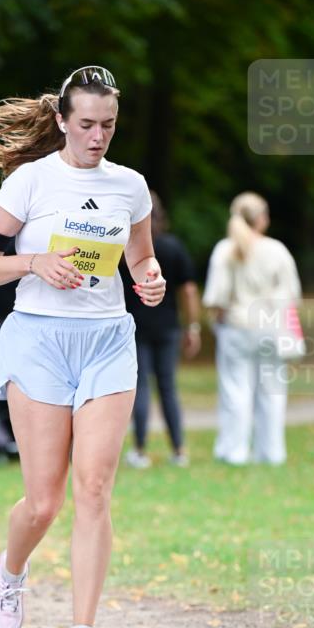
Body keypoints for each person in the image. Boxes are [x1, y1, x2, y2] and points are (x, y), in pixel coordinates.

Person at [0, 65, 166, 628]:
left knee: (95, 491)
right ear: (61, 121)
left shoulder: (130, 186)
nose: (98, 136)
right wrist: (34, 263)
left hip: (107, 341)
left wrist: (150, 280)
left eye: (108, 124)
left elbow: (142, 258)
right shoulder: (29, 182)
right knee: (44, 502)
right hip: (39, 343)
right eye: (86, 124)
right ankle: (12, 572)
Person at [202, 192, 302, 465]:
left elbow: (217, 297)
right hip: (270, 327)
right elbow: (291, 293)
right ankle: (271, 452)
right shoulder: (277, 250)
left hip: (237, 326)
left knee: (235, 390)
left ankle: (233, 451)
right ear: (260, 219)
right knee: (271, 391)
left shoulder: (225, 250)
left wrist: (219, 322)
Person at [119, 191, 202, 467]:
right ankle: (178, 450)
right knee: (168, 388)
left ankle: (140, 450)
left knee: (140, 387)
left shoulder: (125, 250)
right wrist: (192, 326)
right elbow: (188, 290)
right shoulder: (172, 247)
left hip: (136, 326)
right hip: (167, 327)